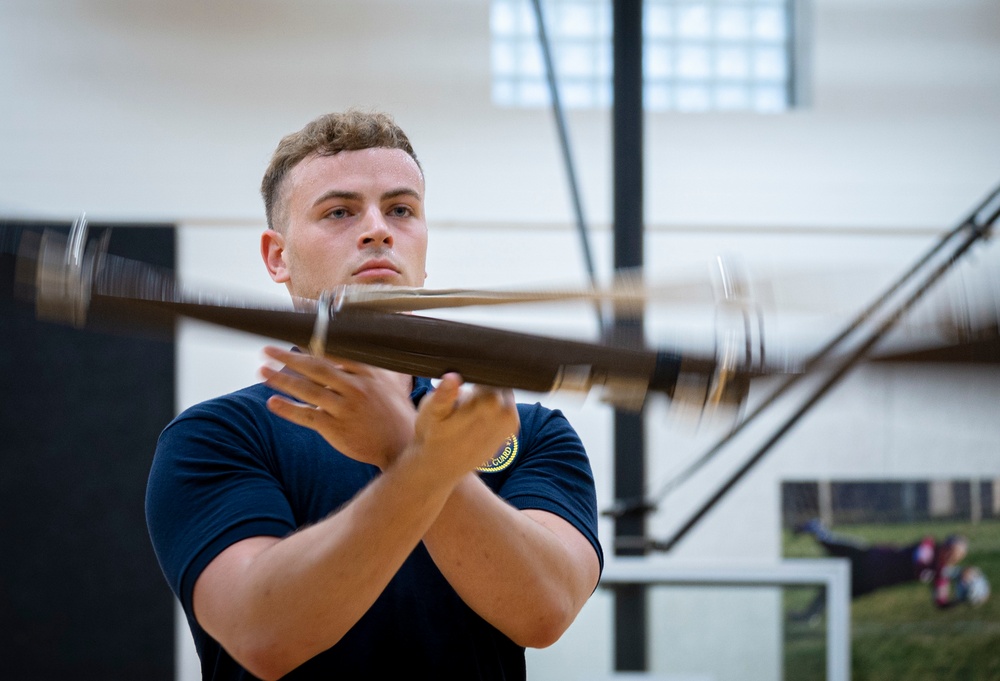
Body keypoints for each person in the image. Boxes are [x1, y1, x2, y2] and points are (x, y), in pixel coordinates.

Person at [145, 110, 603, 680]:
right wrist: (416, 459)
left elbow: (544, 612)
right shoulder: (214, 436)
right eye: (339, 211)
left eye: (401, 210)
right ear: (277, 256)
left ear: (424, 245)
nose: (378, 229)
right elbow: (264, 635)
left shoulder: (521, 428)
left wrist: (408, 451)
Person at [792, 519, 990, 620]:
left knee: (831, 595)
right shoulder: (928, 546)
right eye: (951, 553)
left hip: (871, 581)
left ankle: (804, 617)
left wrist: (959, 600)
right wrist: (954, 573)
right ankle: (813, 527)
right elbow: (920, 564)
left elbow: (940, 601)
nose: (951, 559)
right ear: (945, 546)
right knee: (828, 542)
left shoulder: (940, 573)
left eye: (956, 558)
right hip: (869, 557)